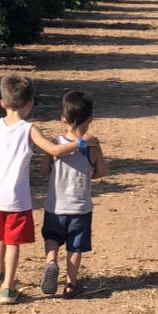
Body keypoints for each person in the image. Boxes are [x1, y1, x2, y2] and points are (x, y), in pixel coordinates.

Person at [0, 73, 85, 305]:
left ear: (2, 103)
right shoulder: (29, 129)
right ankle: (8, 288)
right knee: (13, 242)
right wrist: (81, 143)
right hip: (16, 198)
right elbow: (53, 151)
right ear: (30, 103)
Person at [39, 90, 106, 298]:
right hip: (80, 208)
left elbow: (44, 170)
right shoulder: (92, 148)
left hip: (55, 205)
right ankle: (70, 284)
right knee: (75, 247)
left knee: (52, 238)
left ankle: (51, 261)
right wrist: (89, 173)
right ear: (91, 120)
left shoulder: (55, 144)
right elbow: (102, 171)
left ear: (63, 119)